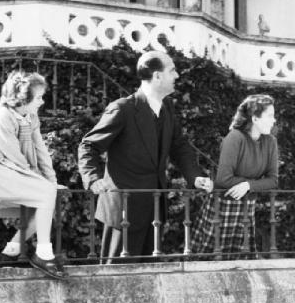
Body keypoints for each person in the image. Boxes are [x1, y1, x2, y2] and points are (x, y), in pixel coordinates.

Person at [78, 51, 213, 259]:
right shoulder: (122, 109)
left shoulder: (168, 107)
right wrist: (93, 178)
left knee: (150, 278)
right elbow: (88, 146)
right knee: (117, 279)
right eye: (172, 70)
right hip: (123, 211)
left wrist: (194, 176)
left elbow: (180, 146)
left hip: (155, 210)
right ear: (157, 76)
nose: (177, 76)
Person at [0, 70, 66, 279]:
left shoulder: (31, 117)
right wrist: (42, 184)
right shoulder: (2, 117)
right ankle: (43, 253)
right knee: (44, 194)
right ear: (23, 98)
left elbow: (40, 151)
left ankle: (10, 252)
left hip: (12, 169)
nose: (42, 101)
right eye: (39, 97)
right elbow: (14, 157)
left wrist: (52, 182)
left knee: (42, 202)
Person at [191, 94, 278, 255]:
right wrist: (253, 184)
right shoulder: (235, 138)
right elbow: (224, 179)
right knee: (210, 261)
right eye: (270, 116)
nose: (274, 120)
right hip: (223, 206)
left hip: (247, 207)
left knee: (240, 263)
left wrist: (248, 185)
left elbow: (273, 180)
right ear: (255, 119)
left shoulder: (270, 142)